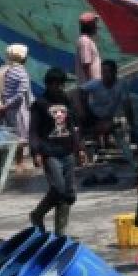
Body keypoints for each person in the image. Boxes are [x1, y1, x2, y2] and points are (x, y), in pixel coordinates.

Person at [28, 68, 84, 235]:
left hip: (67, 151)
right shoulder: (40, 104)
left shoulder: (66, 100)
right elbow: (33, 131)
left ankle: (61, 233)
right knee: (58, 189)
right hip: (50, 152)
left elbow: (73, 126)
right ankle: (37, 214)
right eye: (55, 84)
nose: (58, 87)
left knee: (69, 194)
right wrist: (36, 152)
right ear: (48, 84)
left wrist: (79, 148)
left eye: (60, 84)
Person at [0, 45, 32, 169]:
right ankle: (19, 163)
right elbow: (22, 93)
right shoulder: (19, 71)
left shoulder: (4, 69)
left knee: (7, 135)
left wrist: (0, 105)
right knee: (19, 136)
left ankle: (2, 165)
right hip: (17, 109)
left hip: (6, 107)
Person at [81, 60, 130, 156]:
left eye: (108, 72)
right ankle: (97, 145)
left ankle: (106, 144)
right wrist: (84, 108)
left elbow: (127, 103)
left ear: (115, 72)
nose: (105, 75)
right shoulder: (96, 83)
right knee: (103, 126)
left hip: (109, 115)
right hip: (93, 115)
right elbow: (81, 90)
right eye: (103, 72)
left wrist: (130, 121)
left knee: (117, 124)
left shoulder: (121, 84)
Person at [75, 12, 102, 88]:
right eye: (95, 23)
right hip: (90, 87)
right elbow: (86, 65)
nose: (97, 26)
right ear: (90, 25)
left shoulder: (86, 40)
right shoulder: (85, 41)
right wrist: (92, 85)